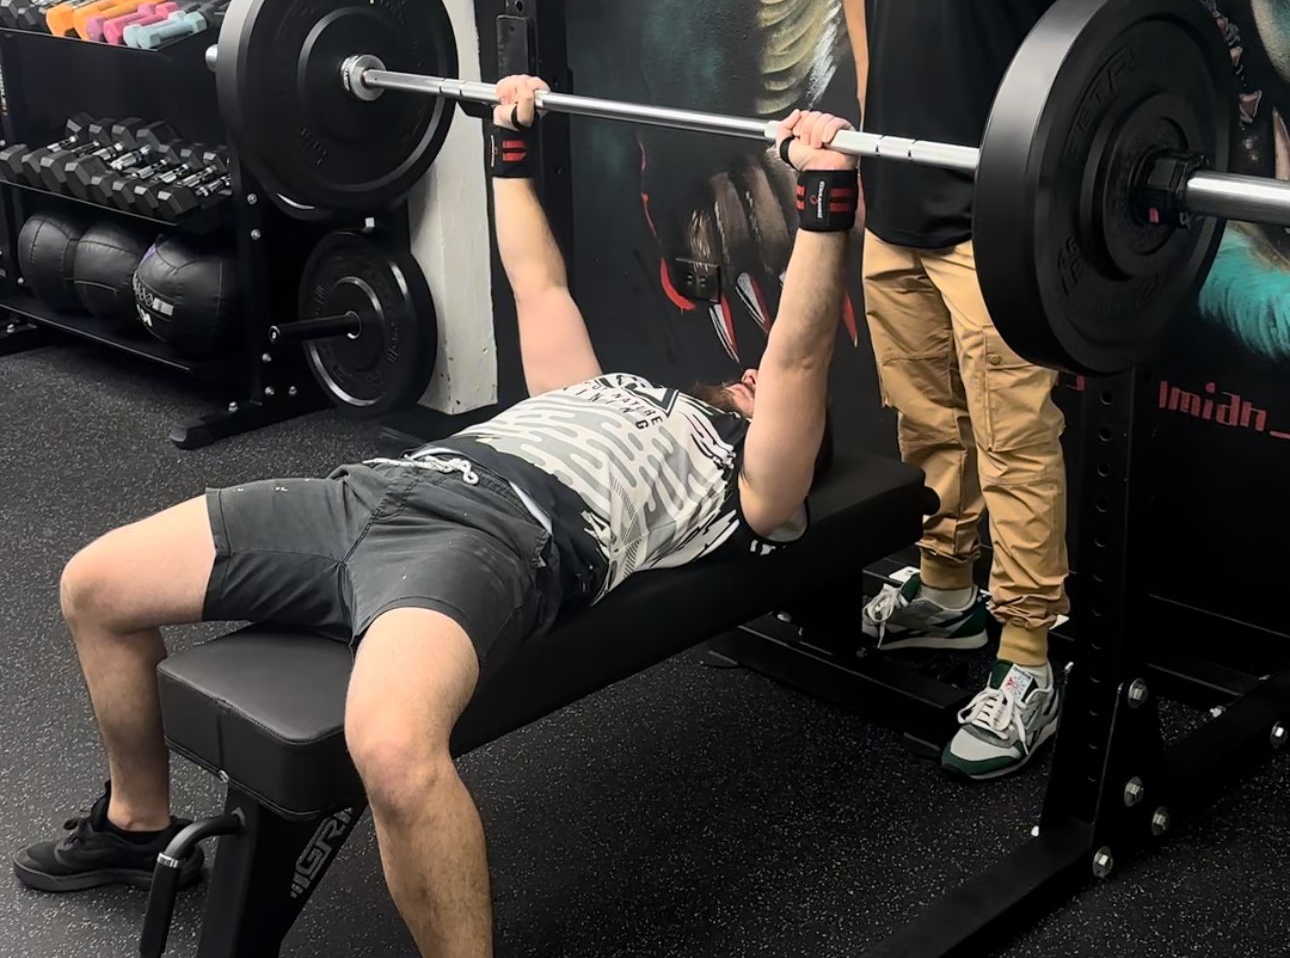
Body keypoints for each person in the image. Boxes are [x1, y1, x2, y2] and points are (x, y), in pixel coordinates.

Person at [14, 79, 861, 958]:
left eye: (776, 392)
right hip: (368, 490)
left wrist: (823, 200)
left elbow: (800, 353)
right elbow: (538, 284)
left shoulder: (745, 476)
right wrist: (511, 144)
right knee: (96, 584)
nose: (756, 371)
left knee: (392, 747)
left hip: (495, 532)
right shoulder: (605, 389)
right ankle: (137, 821)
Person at [823, 0, 1111, 780]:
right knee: (927, 418)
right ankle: (948, 581)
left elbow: (1136, 27)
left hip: (1002, 221)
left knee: (1016, 435)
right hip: (899, 200)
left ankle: (1030, 650)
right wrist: (883, 120)